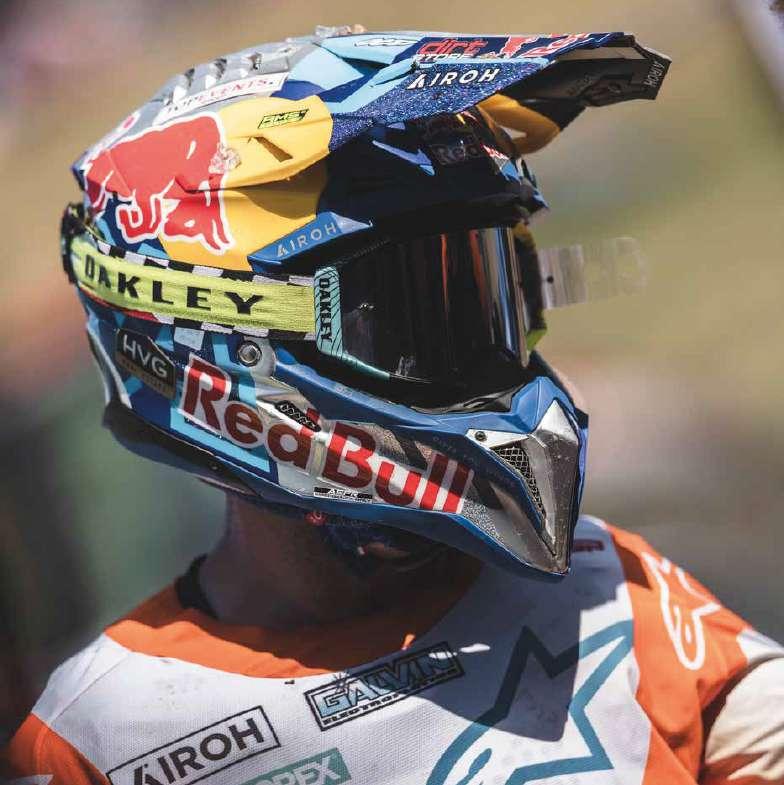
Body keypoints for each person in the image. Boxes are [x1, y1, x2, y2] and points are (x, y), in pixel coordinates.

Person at [2, 26, 783, 785]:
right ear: (224, 348)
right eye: (409, 315)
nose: (473, 351)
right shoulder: (102, 736)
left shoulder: (610, 589)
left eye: (486, 296)